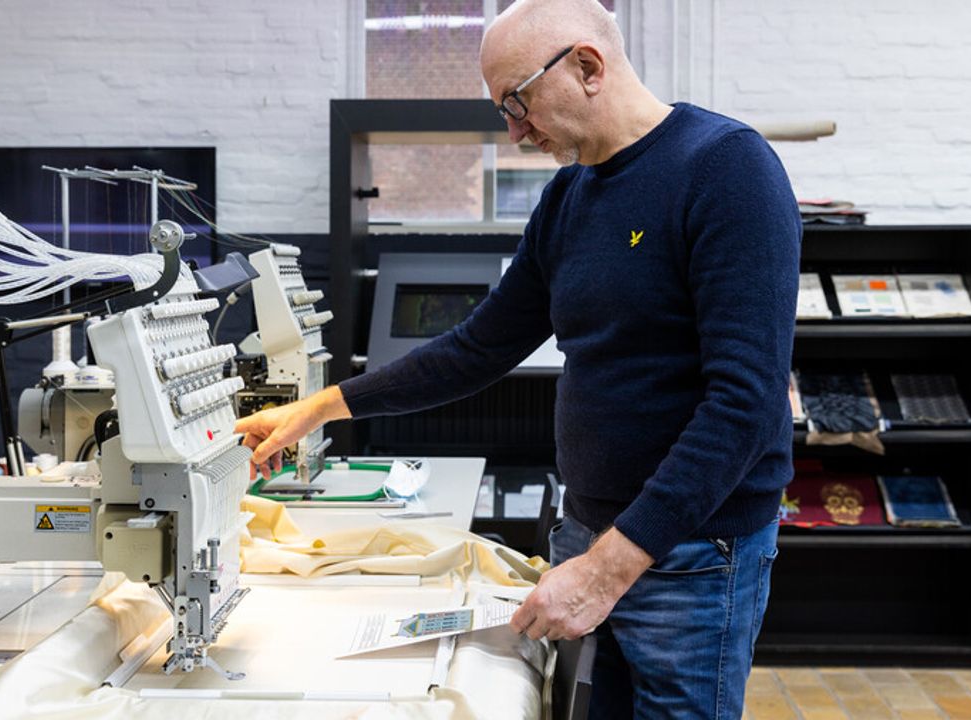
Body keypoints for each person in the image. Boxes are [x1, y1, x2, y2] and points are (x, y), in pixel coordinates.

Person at [235, 0, 800, 716]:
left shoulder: (726, 170)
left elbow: (745, 405)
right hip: (591, 531)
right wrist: (321, 407)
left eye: (517, 101)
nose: (514, 129)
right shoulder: (569, 196)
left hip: (689, 553)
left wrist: (608, 568)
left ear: (587, 67)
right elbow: (479, 347)